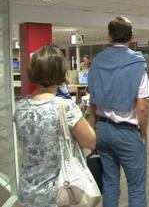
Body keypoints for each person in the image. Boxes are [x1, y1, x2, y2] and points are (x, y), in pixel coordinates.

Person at [14, 45, 96, 207]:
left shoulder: (21, 107)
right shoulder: (64, 107)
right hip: (60, 191)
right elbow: (91, 142)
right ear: (61, 73)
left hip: (28, 188)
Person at [88, 16, 149, 207]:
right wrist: (144, 133)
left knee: (109, 182)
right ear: (132, 37)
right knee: (136, 186)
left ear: (109, 37)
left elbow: (92, 101)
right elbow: (142, 106)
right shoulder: (137, 64)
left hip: (103, 129)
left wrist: (95, 129)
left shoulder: (96, 62)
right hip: (127, 132)